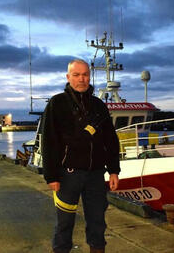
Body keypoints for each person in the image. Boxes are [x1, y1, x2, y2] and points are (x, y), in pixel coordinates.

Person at [41, 59, 120, 253]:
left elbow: (110, 139)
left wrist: (113, 171)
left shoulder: (98, 105)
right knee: (64, 225)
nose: (81, 79)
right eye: (76, 75)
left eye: (85, 74)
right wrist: (51, 176)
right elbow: (49, 141)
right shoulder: (57, 103)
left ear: (89, 76)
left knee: (97, 223)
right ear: (68, 77)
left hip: (95, 175)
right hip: (68, 175)